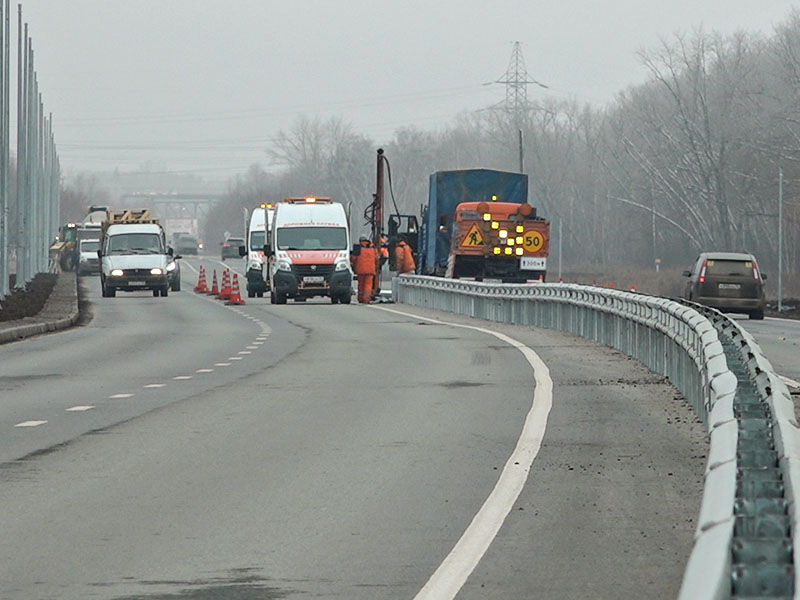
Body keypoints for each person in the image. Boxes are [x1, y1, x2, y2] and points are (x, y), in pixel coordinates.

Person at [352, 235, 377, 303]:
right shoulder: (373, 248)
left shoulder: (358, 248)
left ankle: (360, 298)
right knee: (368, 285)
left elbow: (353, 259)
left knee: (361, 284)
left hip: (361, 270)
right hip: (370, 270)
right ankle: (366, 299)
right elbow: (376, 259)